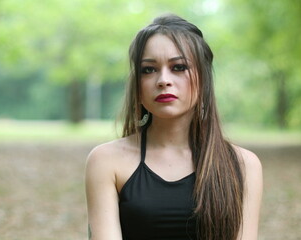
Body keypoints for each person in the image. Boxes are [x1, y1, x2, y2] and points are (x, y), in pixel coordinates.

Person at [85, 14, 262, 240]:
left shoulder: (243, 165)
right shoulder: (106, 160)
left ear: (204, 79)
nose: (163, 80)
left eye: (178, 67)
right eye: (148, 70)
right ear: (137, 86)